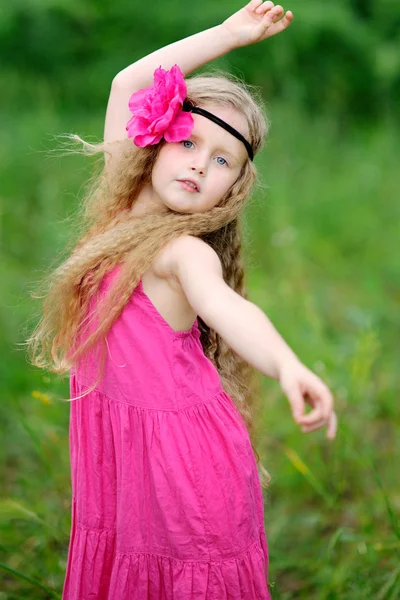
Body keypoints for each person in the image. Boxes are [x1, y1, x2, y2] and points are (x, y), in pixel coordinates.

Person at [26, 1, 338, 598]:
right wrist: (228, 35)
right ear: (156, 136)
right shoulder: (120, 205)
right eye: (189, 142)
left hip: (183, 466)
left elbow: (229, 309)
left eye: (222, 161)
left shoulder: (182, 251)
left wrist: (287, 364)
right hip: (127, 457)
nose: (199, 164)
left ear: (235, 187)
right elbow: (129, 82)